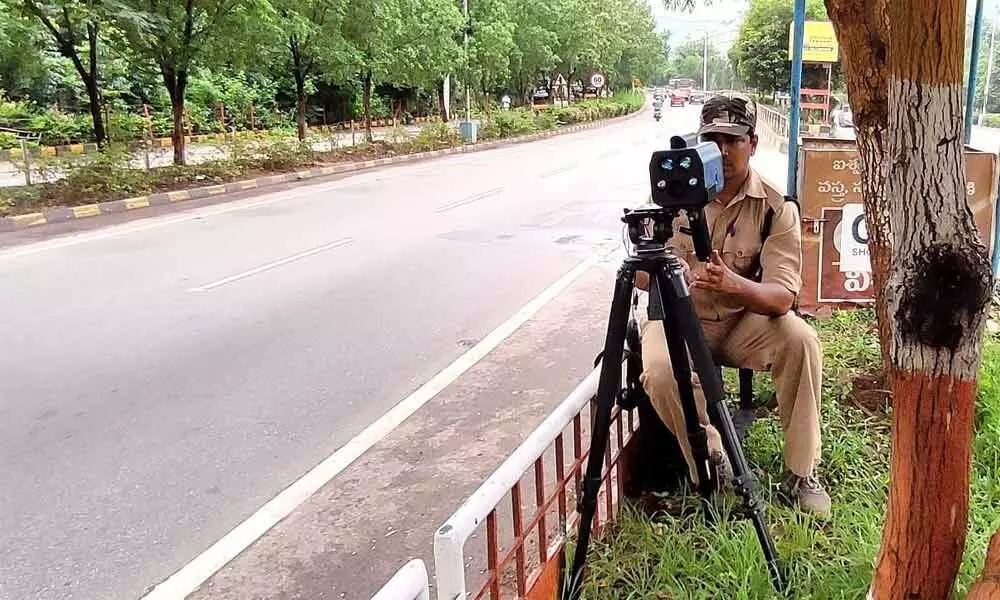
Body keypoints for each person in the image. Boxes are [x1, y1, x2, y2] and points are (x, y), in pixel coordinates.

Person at [635, 93, 831, 518]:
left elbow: (783, 297)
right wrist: (664, 268)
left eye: (733, 139)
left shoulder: (776, 209)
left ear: (753, 143)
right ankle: (712, 462)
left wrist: (734, 283)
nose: (723, 151)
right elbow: (641, 278)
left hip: (743, 322)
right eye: (713, 140)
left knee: (801, 340)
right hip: (680, 322)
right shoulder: (673, 195)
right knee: (659, 371)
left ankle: (801, 473)